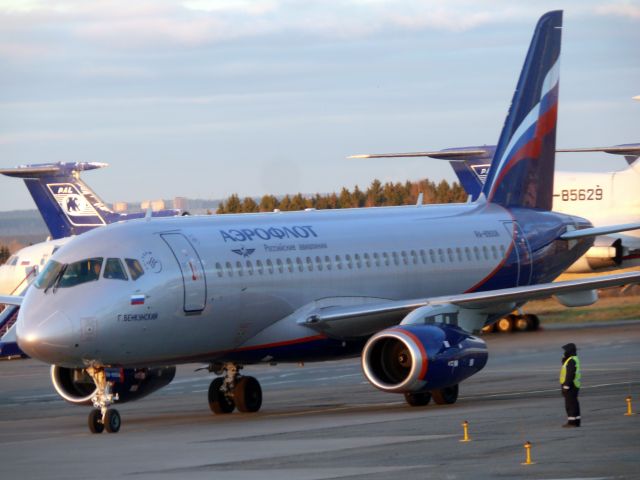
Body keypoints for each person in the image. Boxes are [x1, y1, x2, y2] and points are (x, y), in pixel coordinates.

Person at [560, 342, 581, 427]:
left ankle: (572, 422)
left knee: (570, 404)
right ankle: (576, 421)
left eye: (565, 350)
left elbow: (570, 374)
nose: (564, 352)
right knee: (574, 403)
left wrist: (566, 386)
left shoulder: (571, 360)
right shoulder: (572, 359)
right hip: (574, 385)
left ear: (569, 351)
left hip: (571, 386)